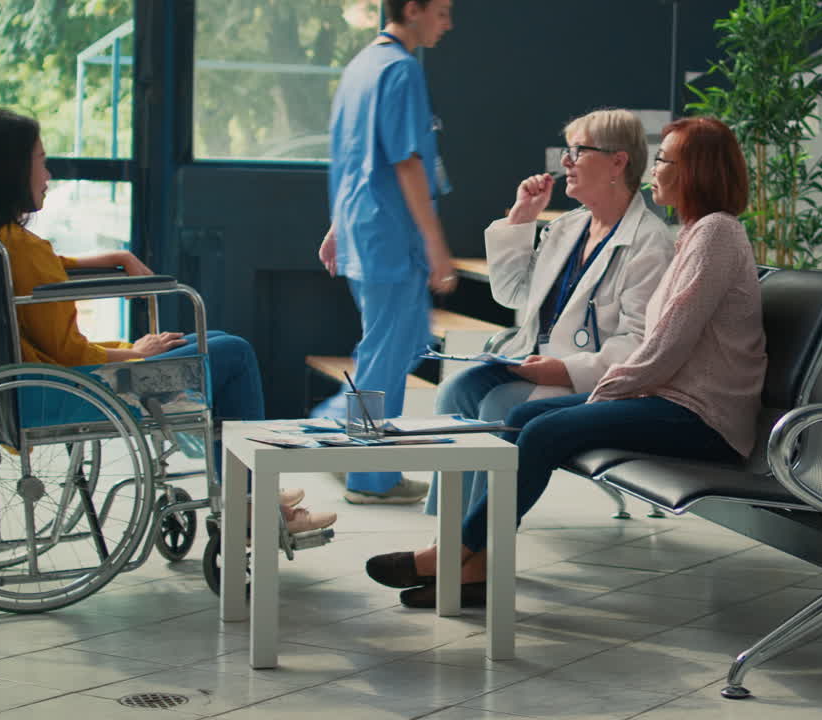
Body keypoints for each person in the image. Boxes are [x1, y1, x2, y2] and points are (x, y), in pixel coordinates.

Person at [366, 116, 766, 607]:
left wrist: (595, 394)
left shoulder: (711, 236)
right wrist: (520, 218)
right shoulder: (693, 234)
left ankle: (455, 555)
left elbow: (664, 347)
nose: (655, 169)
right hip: (665, 398)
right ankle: (469, 564)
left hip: (703, 415)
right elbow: (521, 294)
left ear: (694, 171)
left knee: (541, 429)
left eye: (665, 160)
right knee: (514, 413)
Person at [0, 108, 336, 534]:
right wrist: (132, 352)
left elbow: (53, 268)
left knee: (212, 341)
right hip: (80, 389)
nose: (47, 174)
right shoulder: (22, 250)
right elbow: (69, 352)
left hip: (33, 388)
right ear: (11, 170)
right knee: (233, 352)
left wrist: (118, 258)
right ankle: (248, 501)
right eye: (41, 161)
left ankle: (245, 493)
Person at [422, 108, 675, 518]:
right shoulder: (567, 228)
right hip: (534, 362)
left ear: (617, 162)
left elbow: (638, 345)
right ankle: (448, 527)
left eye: (578, 151)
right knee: (457, 391)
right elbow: (513, 293)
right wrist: (523, 216)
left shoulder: (648, 243)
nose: (565, 162)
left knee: (499, 407)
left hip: (589, 379)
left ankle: (480, 539)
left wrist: (561, 370)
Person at [315, 0, 457, 505]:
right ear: (412, 9)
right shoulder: (400, 70)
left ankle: (344, 438)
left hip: (365, 228)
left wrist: (339, 225)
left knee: (396, 343)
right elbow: (405, 161)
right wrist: (436, 243)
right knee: (384, 353)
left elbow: (354, 157)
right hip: (391, 236)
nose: (448, 23)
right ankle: (365, 469)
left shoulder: (361, 67)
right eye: (441, 12)